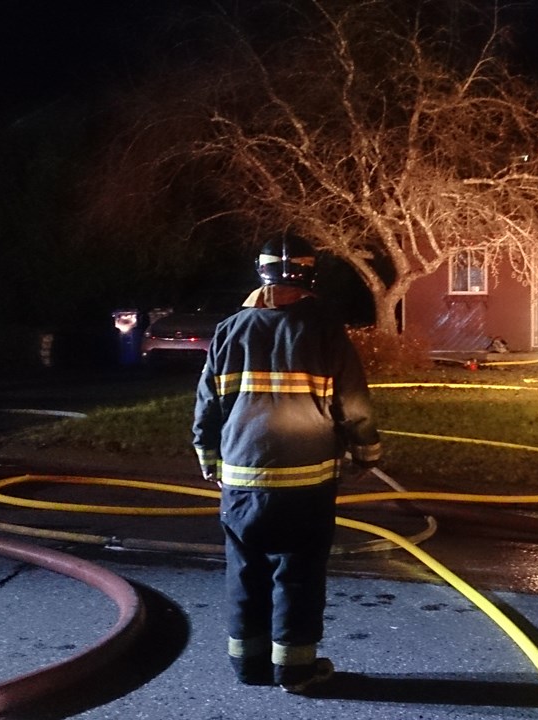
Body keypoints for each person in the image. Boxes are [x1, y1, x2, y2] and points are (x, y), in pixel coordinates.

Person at [193, 235, 381, 696]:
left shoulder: (229, 329)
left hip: (241, 479)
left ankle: (247, 664)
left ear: (261, 275)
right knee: (296, 573)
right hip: (307, 481)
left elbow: (207, 406)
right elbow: (353, 402)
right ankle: (295, 670)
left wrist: (208, 458)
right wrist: (366, 451)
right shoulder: (323, 329)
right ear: (309, 276)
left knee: (244, 569)